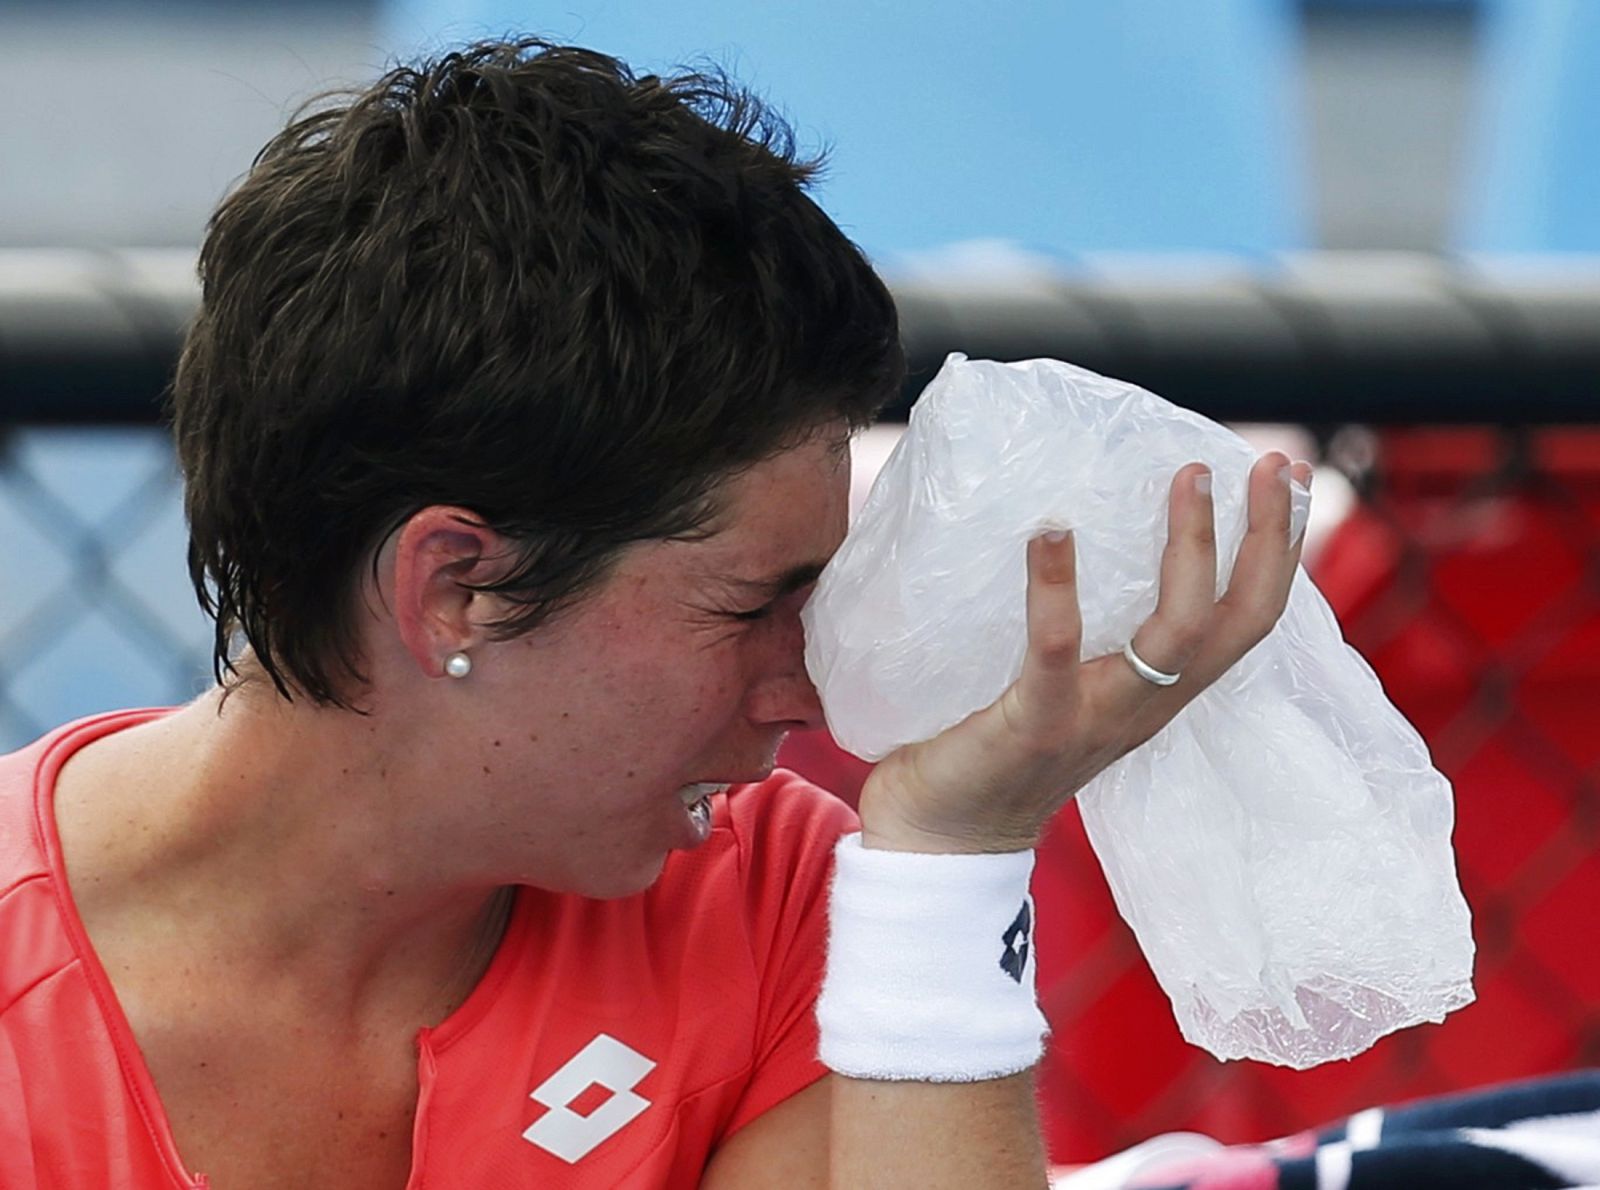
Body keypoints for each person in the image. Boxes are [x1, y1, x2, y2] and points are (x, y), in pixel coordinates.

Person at [0, 39, 1309, 1189]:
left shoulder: (786, 892)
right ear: (454, 586)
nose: (808, 693)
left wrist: (956, 854)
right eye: (755, 604)